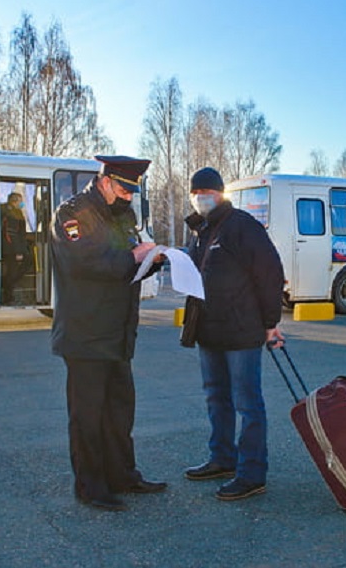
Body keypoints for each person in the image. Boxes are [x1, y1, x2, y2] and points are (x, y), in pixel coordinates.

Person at [49, 155, 166, 512]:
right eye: (123, 189)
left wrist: (150, 261)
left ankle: (122, 476)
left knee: (119, 411)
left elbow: (124, 269)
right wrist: (134, 257)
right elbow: (87, 263)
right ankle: (91, 486)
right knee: (88, 415)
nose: (129, 197)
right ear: (104, 181)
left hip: (116, 333)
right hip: (85, 333)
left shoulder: (122, 215)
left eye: (133, 191)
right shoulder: (73, 214)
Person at [182, 167, 285, 501]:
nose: (200, 199)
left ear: (220, 193)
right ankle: (222, 458)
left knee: (247, 403)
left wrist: (270, 323)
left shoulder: (242, 226)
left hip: (241, 332)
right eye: (195, 193)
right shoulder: (200, 230)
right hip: (209, 331)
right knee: (216, 398)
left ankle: (252, 473)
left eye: (206, 193)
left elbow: (270, 274)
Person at [0, 193, 28, 305]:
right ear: (14, 201)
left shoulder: (9, 211)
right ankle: (7, 295)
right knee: (12, 272)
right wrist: (18, 251)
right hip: (11, 249)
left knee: (11, 272)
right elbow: (13, 234)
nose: (22, 203)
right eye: (20, 201)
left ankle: (7, 291)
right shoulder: (12, 214)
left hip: (8, 248)